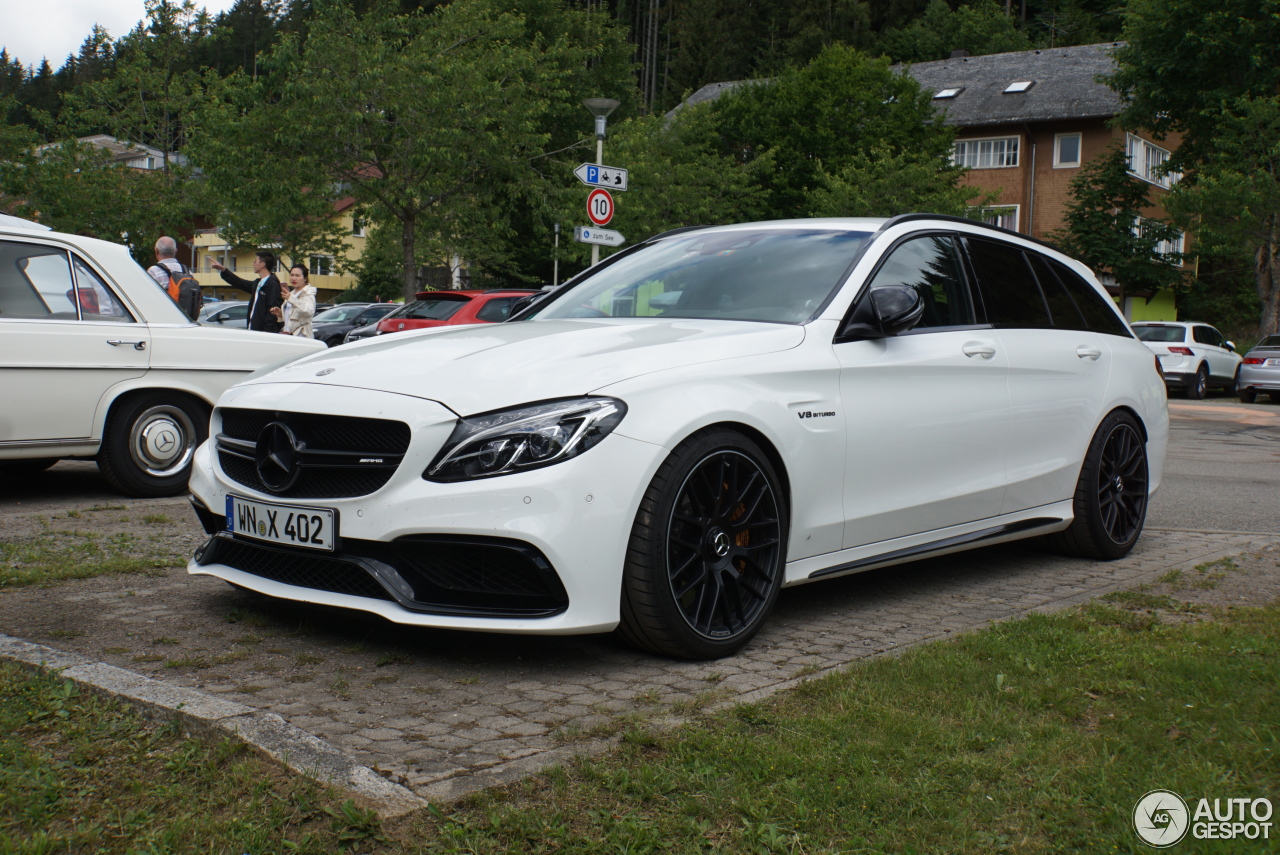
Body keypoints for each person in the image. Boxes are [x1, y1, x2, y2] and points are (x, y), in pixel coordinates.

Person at [211, 251, 281, 333]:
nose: (253, 264)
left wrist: (266, 331)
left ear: (262, 264)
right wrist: (223, 270)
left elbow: (272, 310)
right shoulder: (258, 283)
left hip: (263, 333)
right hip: (252, 328)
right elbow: (239, 282)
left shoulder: (272, 284)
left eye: (255, 261)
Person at [272, 264, 317, 338]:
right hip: (288, 334)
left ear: (305, 278)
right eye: (292, 275)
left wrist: (292, 299)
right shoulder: (291, 293)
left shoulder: (308, 293)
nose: (293, 278)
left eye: (297, 275)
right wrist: (280, 314)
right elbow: (291, 317)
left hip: (301, 334)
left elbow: (309, 311)